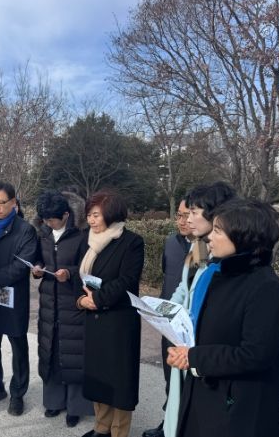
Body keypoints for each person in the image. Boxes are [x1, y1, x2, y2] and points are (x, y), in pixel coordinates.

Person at [167, 199, 279, 437]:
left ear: (244, 236)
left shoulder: (265, 288)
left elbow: (256, 355)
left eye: (218, 231)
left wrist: (194, 356)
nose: (209, 237)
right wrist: (185, 351)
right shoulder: (219, 274)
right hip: (205, 395)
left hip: (238, 409)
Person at [164, 181, 236, 437]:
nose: (188, 219)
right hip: (185, 342)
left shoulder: (227, 262)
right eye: (186, 213)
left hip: (203, 354)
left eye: (194, 212)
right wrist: (162, 311)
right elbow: (183, 289)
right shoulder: (197, 249)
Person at [76, 190, 144, 437]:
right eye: (89, 215)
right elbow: (79, 276)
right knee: (98, 376)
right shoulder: (87, 240)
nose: (91, 220)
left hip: (118, 321)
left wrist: (97, 299)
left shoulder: (131, 242)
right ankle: (101, 427)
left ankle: (119, 431)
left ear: (112, 213)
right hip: (93, 318)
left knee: (120, 380)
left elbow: (127, 280)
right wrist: (82, 300)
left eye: (96, 215)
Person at [32, 190, 93, 428]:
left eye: (52, 219)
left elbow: (88, 267)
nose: (48, 223)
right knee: (50, 350)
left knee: (74, 353)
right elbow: (37, 258)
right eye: (45, 219)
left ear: (66, 215)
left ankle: (75, 407)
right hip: (49, 301)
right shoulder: (43, 234)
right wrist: (37, 268)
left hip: (73, 301)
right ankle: (53, 401)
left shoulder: (82, 235)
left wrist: (69, 273)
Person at [0, 181, 38, 416]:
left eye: (1, 202)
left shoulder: (25, 230)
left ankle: (18, 393)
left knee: (18, 346)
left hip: (12, 296)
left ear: (13, 202)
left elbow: (21, 266)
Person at [142, 198, 193, 437]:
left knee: (190, 383)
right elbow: (168, 278)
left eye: (188, 215)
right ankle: (168, 423)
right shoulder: (171, 242)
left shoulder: (208, 249)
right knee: (170, 377)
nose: (182, 221)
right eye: (179, 215)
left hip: (191, 328)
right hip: (169, 324)